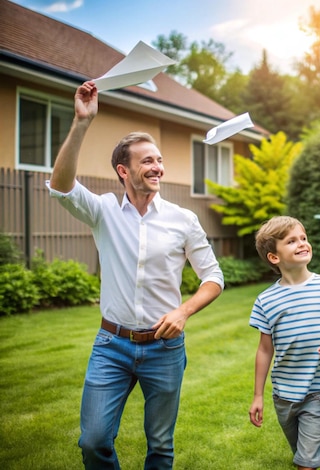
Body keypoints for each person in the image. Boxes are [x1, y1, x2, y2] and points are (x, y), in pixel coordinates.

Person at [47, 81, 224, 469]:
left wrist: (183, 312)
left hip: (164, 349)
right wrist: (81, 122)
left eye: (159, 159)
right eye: (147, 161)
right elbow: (60, 186)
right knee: (93, 441)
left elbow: (214, 278)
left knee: (160, 446)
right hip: (112, 345)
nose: (158, 167)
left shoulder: (183, 219)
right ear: (123, 171)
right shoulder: (103, 211)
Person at [248, 216, 320, 470]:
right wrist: (257, 396)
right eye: (292, 241)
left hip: (316, 389)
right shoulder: (266, 300)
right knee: (301, 452)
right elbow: (265, 349)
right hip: (283, 392)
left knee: (306, 463)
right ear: (274, 257)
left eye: (304, 238)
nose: (302, 243)